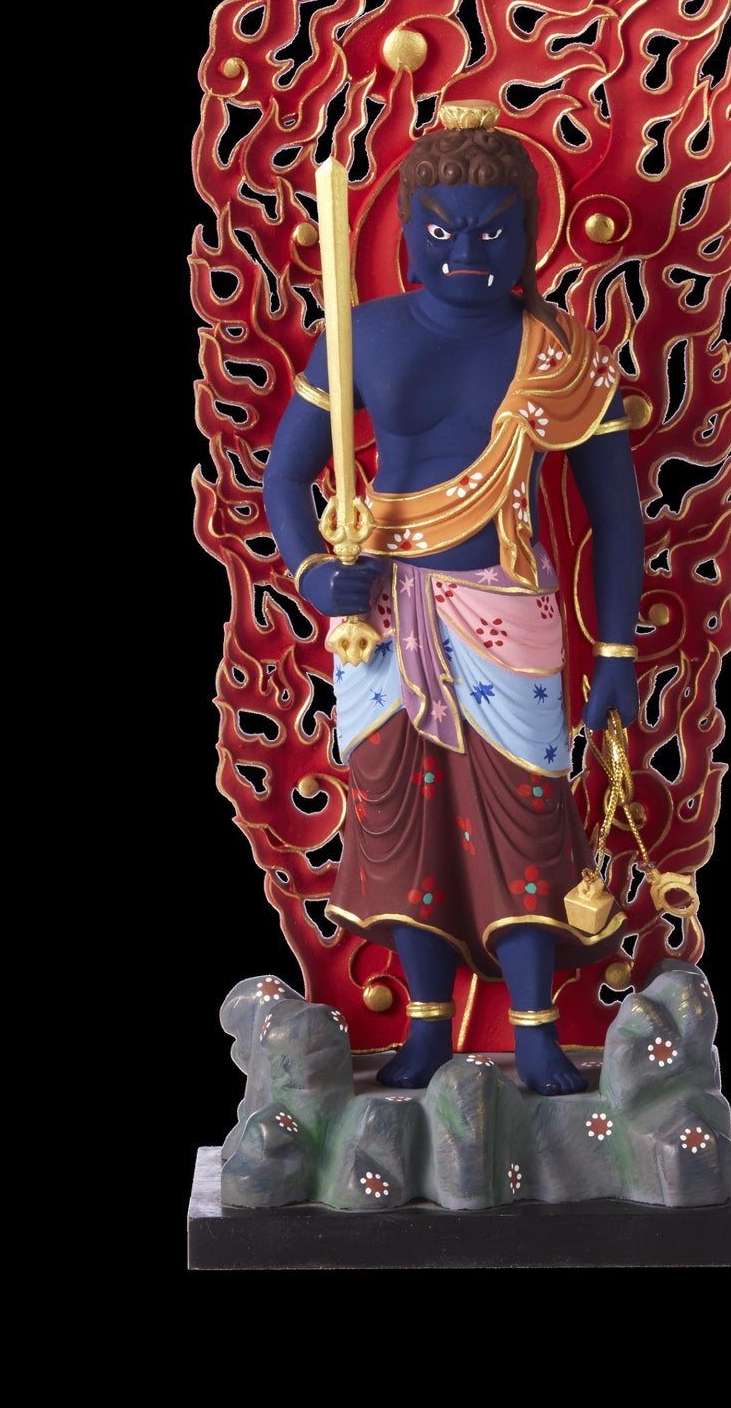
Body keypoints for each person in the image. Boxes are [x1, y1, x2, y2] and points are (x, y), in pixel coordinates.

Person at [263, 108, 643, 1094]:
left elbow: (616, 515)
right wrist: (314, 573)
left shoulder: (560, 350)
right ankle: (426, 1029)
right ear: (403, 228)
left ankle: (536, 1031)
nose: (466, 252)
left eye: (493, 229)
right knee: (402, 817)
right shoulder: (364, 335)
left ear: (530, 233)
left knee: (527, 813)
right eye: (441, 229)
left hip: (505, 607)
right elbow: (285, 480)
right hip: (381, 610)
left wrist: (617, 654)